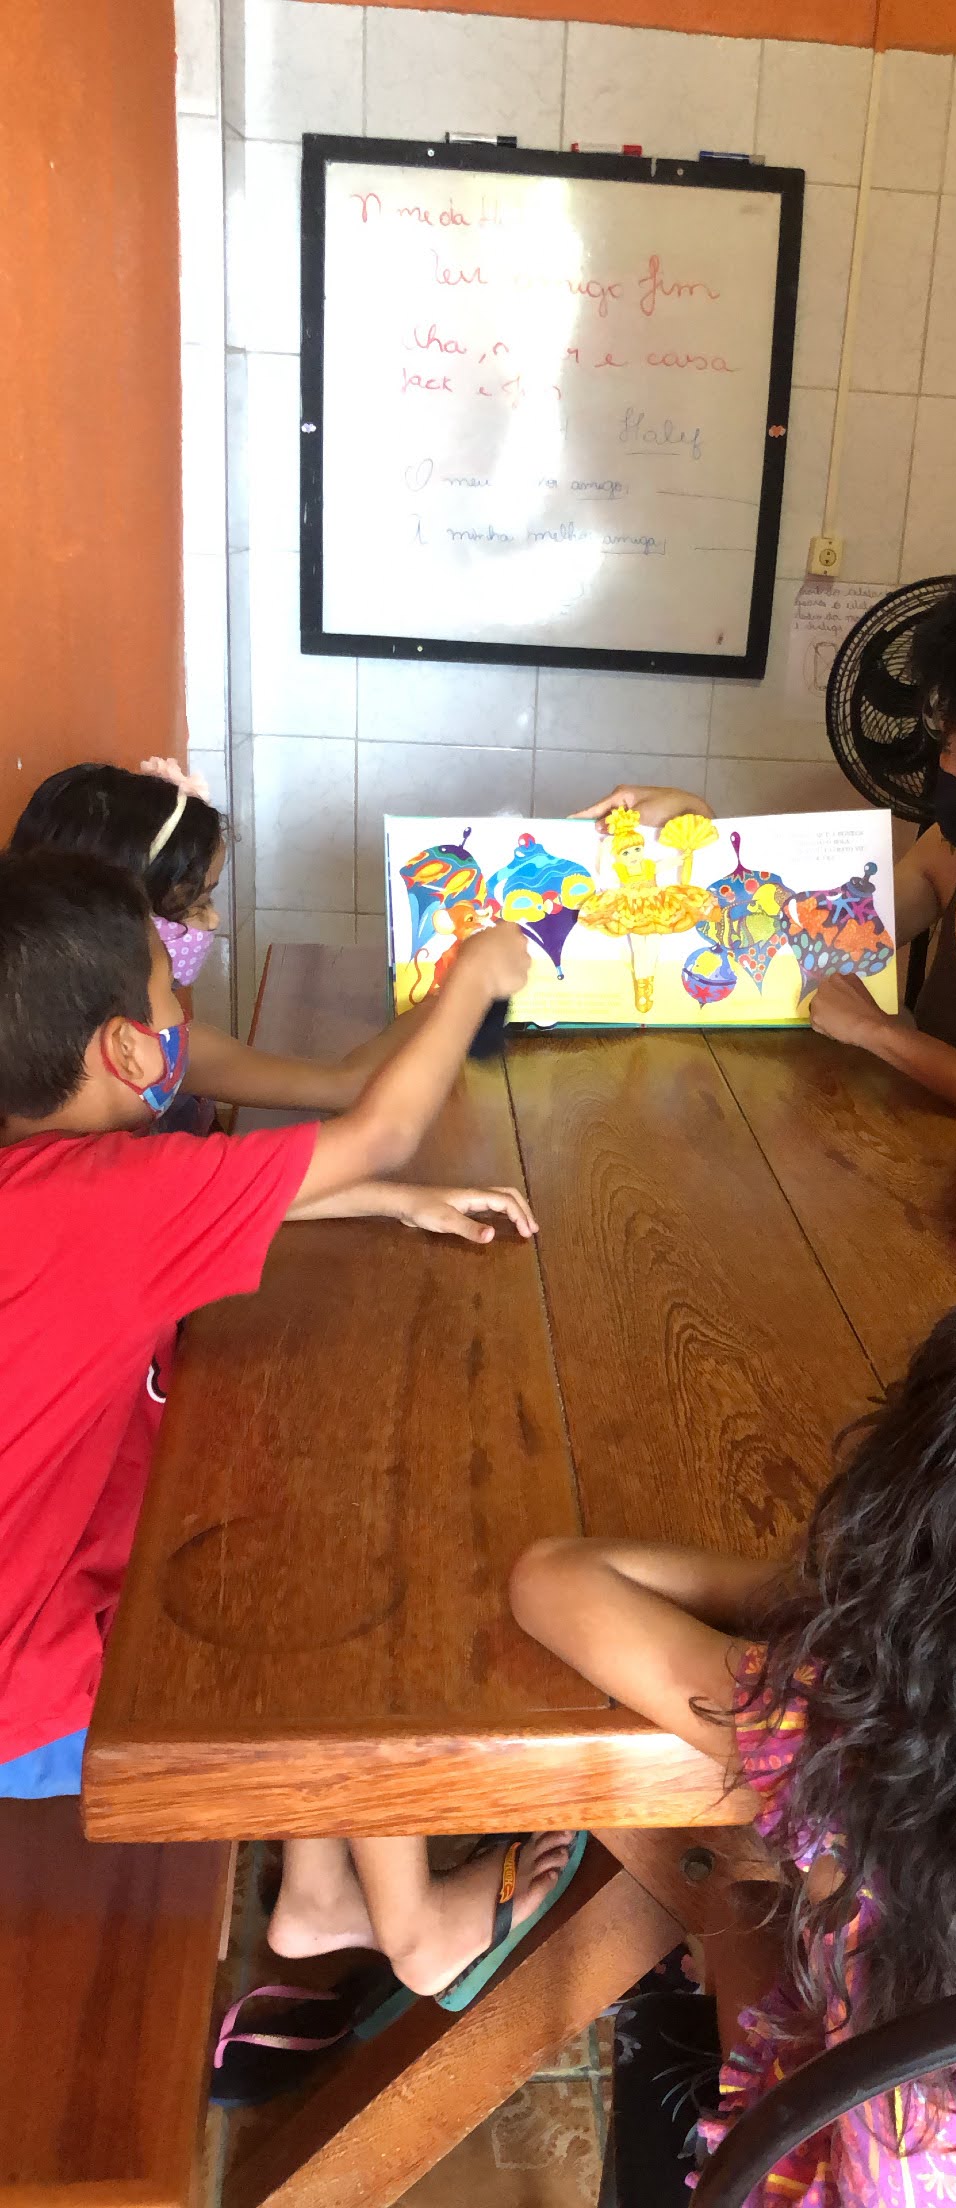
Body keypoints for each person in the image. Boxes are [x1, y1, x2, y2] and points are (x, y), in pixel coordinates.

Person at [0, 848, 578, 2012]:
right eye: (169, 994)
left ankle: (319, 1895)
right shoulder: (100, 1202)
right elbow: (377, 1130)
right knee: (334, 1577)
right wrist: (474, 973)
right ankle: (415, 1930)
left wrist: (395, 1202)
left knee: (272, 1499)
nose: (183, 1009)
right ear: (124, 1052)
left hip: (33, 1630)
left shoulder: (46, 1183)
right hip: (35, 1703)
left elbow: (226, 1191)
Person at [510, 1292, 956, 2207]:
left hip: (846, 2170)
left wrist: (869, 1607)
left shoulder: (849, 1730)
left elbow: (552, 1580)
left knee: (732, 1897)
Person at [576, 551, 956, 1103]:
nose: (950, 770)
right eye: (948, 743)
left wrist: (881, 1034)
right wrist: (699, 838)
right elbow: (803, 936)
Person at [9, 757, 429, 1127]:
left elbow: (345, 1084)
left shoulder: (161, 1046)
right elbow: (365, 1128)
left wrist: (442, 996)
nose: (212, 921)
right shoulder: (69, 1136)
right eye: (195, 904)